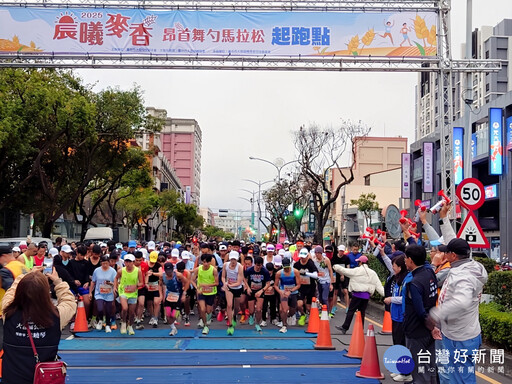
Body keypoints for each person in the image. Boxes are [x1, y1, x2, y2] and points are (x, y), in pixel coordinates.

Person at [428, 238, 488, 384]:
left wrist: (435, 314)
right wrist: (443, 220)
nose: (443, 254)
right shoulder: (471, 265)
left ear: (453, 255)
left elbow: (462, 301)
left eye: (446, 252)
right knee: (458, 375)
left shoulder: (463, 276)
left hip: (459, 338)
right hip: (463, 332)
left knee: (461, 377)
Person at [2, 267, 76, 384]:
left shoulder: (8, 312)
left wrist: (26, 276)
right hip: (44, 379)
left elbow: (11, 292)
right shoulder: (57, 316)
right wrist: (57, 281)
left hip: (12, 378)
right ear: (46, 293)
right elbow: (69, 301)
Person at [402, 244, 438, 384]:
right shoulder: (429, 273)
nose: (404, 260)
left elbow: (419, 310)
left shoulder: (414, 283)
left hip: (417, 330)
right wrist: (433, 327)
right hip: (431, 326)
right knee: (430, 367)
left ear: (410, 260)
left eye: (405, 258)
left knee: (419, 371)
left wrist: (430, 326)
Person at [332, 255, 384, 334]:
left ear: (361, 262)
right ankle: (360, 329)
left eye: (358, 262)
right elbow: (378, 286)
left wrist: (335, 266)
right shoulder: (373, 273)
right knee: (362, 312)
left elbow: (345, 271)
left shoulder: (357, 270)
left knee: (351, 311)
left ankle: (345, 327)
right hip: (366, 296)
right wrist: (386, 296)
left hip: (357, 295)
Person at [115, 254, 143, 335]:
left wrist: (136, 285)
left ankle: (130, 325)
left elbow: (141, 282)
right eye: (126, 261)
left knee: (131, 312)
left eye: (129, 261)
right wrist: (115, 287)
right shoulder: (121, 270)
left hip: (133, 293)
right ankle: (123, 322)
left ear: (133, 262)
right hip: (123, 291)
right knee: (125, 308)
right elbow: (116, 278)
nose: (128, 263)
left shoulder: (138, 271)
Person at [89, 255, 117, 333]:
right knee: (100, 308)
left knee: (108, 310)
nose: (105, 265)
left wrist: (112, 284)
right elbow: (93, 281)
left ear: (109, 263)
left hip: (109, 293)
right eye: (103, 263)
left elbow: (116, 282)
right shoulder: (97, 270)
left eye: (106, 263)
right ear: (101, 263)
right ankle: (100, 320)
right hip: (99, 293)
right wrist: (90, 292)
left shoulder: (113, 271)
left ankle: (108, 324)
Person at [191, 254, 218, 335]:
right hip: (201, 292)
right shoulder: (198, 269)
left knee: (208, 310)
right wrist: (197, 288)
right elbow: (192, 280)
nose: (206, 264)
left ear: (210, 262)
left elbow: (216, 283)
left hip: (211, 292)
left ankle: (206, 318)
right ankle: (205, 325)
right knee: (202, 309)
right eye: (204, 262)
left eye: (207, 262)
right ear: (202, 262)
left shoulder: (214, 270)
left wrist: (207, 285)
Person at [244, 255, 271, 332]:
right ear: (254, 264)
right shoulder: (249, 270)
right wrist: (247, 288)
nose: (258, 267)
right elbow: (244, 279)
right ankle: (251, 315)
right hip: (251, 290)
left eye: (260, 265)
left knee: (259, 309)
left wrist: (262, 291)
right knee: (251, 310)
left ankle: (257, 324)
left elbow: (268, 284)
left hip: (260, 291)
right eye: (257, 265)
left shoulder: (265, 271)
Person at [0, 245, 30, 313]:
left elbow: (10, 291)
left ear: (3, 256)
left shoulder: (6, 270)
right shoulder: (23, 266)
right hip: (23, 307)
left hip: (6, 311)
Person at [162, 262, 189, 336]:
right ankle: (173, 328)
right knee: (167, 315)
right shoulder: (163, 276)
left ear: (173, 270)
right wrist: (163, 295)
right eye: (167, 272)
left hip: (178, 296)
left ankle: (177, 315)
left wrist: (184, 294)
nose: (169, 273)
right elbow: (162, 284)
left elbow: (187, 282)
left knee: (173, 315)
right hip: (169, 296)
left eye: (170, 271)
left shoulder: (178, 275)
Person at [274, 258, 301, 333]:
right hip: (284, 292)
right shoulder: (279, 273)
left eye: (287, 267)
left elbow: (298, 285)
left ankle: (289, 316)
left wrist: (291, 291)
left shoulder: (295, 272)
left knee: (292, 309)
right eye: (285, 268)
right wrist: (280, 291)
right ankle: (284, 325)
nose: (286, 269)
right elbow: (275, 285)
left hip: (293, 292)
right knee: (284, 310)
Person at [293, 248, 318, 326]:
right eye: (301, 257)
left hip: (310, 287)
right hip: (301, 287)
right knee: (299, 304)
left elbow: (316, 275)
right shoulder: (296, 264)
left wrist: (307, 273)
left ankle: (311, 317)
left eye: (304, 257)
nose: (302, 259)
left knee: (308, 306)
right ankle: (303, 314)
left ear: (307, 256)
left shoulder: (311, 264)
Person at [221, 250, 244, 335]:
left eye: (234, 260)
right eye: (231, 260)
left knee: (237, 307)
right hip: (229, 287)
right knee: (229, 305)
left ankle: (234, 316)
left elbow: (239, 281)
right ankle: (230, 325)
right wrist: (225, 283)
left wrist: (231, 285)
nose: (233, 261)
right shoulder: (225, 265)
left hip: (237, 287)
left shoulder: (240, 267)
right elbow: (223, 277)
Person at [312, 246, 334, 312]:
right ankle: (322, 310)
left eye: (318, 253)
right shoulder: (314, 259)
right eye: (316, 253)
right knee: (320, 298)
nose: (317, 254)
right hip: (318, 280)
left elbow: (330, 270)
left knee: (325, 298)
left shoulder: (326, 260)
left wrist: (331, 283)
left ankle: (326, 312)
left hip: (326, 280)